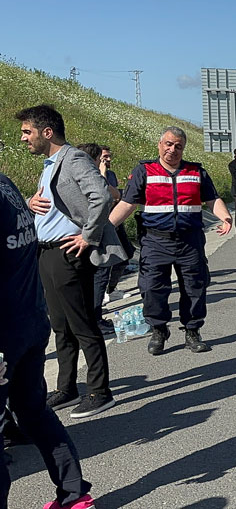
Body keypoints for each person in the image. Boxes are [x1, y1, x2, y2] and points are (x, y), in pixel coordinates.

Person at [19, 105, 124, 419]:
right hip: (47, 252)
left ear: (47, 132)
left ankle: (100, 391)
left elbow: (102, 196)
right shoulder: (51, 163)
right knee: (61, 326)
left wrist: (88, 236)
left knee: (82, 323)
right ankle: (67, 388)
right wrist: (28, 202)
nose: (23, 138)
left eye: (27, 132)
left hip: (69, 252)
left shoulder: (73, 158)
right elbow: (49, 203)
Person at [0, 171, 96, 509]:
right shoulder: (5, 185)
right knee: (33, 412)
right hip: (28, 320)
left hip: (4, 333)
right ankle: (75, 496)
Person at [109, 126, 233, 355]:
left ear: (183, 149)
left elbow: (212, 199)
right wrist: (105, 229)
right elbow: (127, 204)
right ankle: (159, 330)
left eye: (178, 146)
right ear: (159, 145)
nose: (172, 150)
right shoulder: (144, 171)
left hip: (190, 241)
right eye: (168, 144)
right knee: (152, 288)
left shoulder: (197, 172)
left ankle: (192, 331)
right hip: (156, 241)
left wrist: (225, 217)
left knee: (195, 287)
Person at [76, 144, 134, 334]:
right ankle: (95, 318)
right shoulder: (88, 175)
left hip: (109, 225)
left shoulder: (110, 174)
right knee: (100, 272)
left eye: (108, 157)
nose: (106, 160)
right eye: (102, 157)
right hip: (97, 228)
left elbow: (117, 196)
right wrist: (100, 172)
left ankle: (99, 306)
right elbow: (106, 196)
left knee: (121, 258)